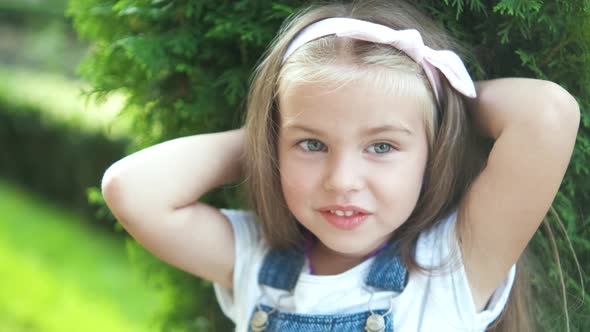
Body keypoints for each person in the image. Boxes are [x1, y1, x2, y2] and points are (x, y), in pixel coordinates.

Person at [100, 1, 580, 331]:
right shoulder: (256, 262)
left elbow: (547, 115)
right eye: (313, 145)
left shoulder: (451, 268)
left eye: (382, 147)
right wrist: (272, 135)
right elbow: (132, 189)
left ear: (432, 153)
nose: (342, 181)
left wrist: (441, 111)